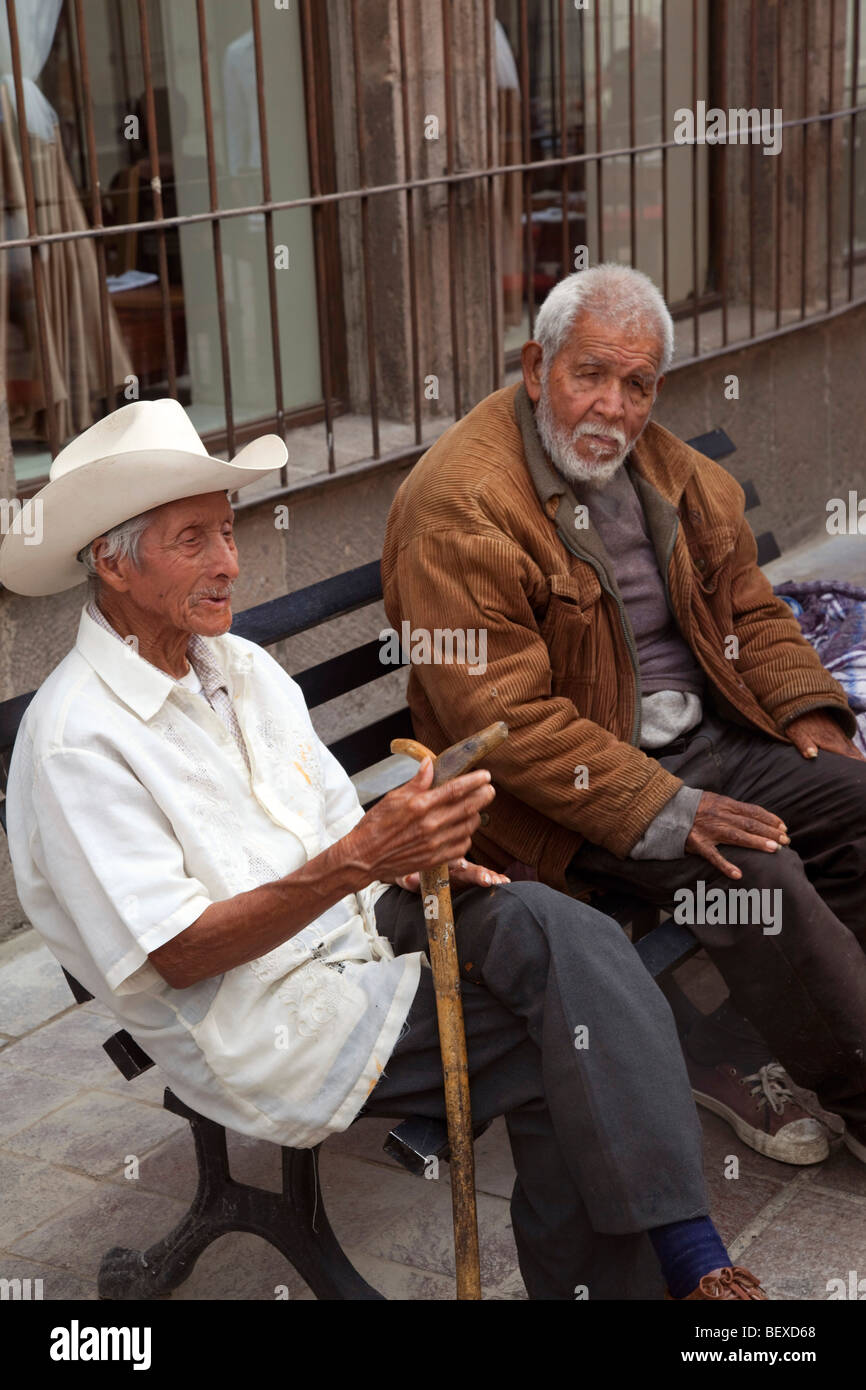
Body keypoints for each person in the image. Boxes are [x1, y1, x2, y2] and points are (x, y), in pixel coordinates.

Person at [0, 398, 764, 1301]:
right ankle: (681, 1268)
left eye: (228, 531)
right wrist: (362, 856)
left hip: (354, 926)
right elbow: (177, 950)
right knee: (568, 1039)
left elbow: (331, 825)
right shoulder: (76, 741)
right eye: (193, 541)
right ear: (110, 564)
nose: (229, 563)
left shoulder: (237, 666)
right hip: (258, 1017)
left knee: (554, 926)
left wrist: (411, 850)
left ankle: (680, 1263)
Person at [381, 263, 866, 1171]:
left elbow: (752, 609)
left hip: (709, 738)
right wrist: (668, 808)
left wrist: (810, 711)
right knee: (761, 879)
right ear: (536, 369)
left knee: (852, 798)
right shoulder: (460, 510)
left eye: (637, 384)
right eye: (589, 375)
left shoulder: (666, 468)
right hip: (560, 793)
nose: (613, 405)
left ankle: (787, 1031)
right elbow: (508, 722)